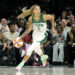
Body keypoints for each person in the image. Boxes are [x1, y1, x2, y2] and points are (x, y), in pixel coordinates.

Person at [16, 5, 55, 71]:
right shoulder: (31, 18)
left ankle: (21, 64)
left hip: (42, 36)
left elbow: (52, 17)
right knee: (37, 49)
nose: (38, 11)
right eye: (36, 9)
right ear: (33, 11)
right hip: (35, 36)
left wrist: (53, 28)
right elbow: (28, 30)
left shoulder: (44, 17)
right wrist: (20, 37)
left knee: (30, 49)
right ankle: (43, 57)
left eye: (39, 9)